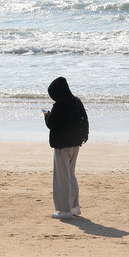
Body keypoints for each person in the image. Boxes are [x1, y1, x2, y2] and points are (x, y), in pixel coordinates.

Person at [44, 77, 88, 219]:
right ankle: (75, 207)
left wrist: (47, 116)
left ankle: (65, 210)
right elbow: (84, 121)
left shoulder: (61, 104)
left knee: (61, 178)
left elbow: (52, 124)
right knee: (70, 175)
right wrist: (83, 138)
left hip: (62, 145)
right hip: (75, 143)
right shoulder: (76, 101)